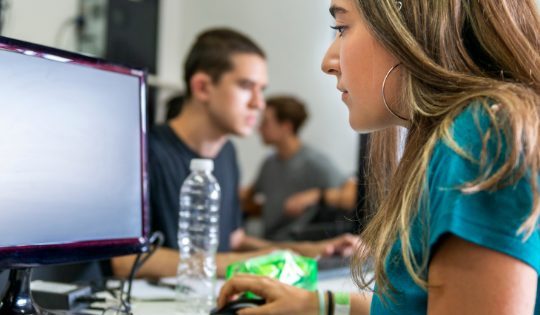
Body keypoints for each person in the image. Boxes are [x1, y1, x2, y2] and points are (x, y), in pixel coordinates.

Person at [218, 0, 540, 314]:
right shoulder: (459, 137)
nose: (328, 61)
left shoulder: (482, 137)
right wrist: (318, 305)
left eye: (342, 27)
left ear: (407, 26)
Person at [111, 28, 357, 279]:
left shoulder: (227, 153)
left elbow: (235, 240)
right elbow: (127, 261)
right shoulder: (143, 154)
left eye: (261, 89)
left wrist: (309, 251)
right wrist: (248, 263)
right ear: (203, 87)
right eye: (246, 86)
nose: (258, 103)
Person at [242, 95, 347, 240]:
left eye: (265, 123)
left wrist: (316, 195)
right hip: (269, 242)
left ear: (286, 127)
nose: (259, 129)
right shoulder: (269, 163)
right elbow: (251, 197)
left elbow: (353, 194)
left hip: (299, 245)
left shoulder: (314, 162)